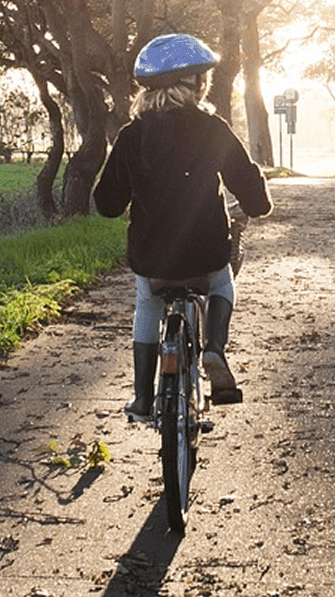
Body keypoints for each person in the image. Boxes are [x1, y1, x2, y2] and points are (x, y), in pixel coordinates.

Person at [94, 33, 272, 417]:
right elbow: (255, 199)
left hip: (152, 260)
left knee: (147, 302)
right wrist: (256, 200)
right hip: (206, 255)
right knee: (223, 283)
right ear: (195, 83)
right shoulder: (213, 130)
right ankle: (213, 350)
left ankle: (143, 399)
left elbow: (106, 205)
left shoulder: (131, 136)